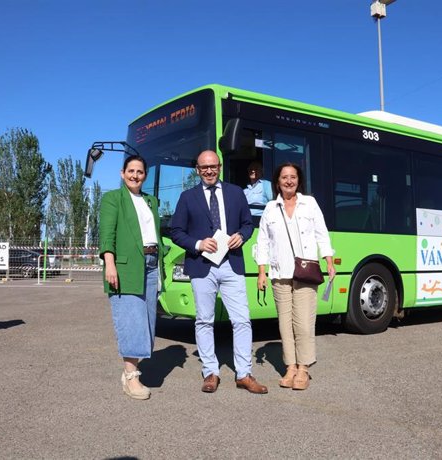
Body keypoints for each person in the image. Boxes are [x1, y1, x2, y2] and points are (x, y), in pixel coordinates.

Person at [170, 150, 268, 394]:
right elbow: (176, 231)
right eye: (204, 167)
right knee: (204, 320)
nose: (209, 171)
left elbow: (248, 224)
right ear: (197, 170)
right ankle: (210, 372)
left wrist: (241, 236)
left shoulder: (236, 193)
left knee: (242, 320)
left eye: (213, 166)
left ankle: (244, 374)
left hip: (231, 264)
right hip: (202, 266)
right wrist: (198, 244)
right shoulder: (187, 197)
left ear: (220, 166)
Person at [255, 162, 335, 390]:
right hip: (279, 273)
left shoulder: (309, 204)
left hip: (305, 272)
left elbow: (322, 234)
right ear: (277, 182)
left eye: (293, 177)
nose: (289, 181)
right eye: (284, 177)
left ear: (298, 180)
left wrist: (328, 260)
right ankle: (290, 366)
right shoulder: (271, 208)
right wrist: (262, 272)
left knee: (303, 322)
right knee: (285, 323)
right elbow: (262, 241)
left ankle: (304, 368)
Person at [99, 155, 164, 400]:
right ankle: (130, 377)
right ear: (122, 172)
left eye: (140, 172)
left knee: (146, 321)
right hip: (126, 266)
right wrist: (110, 264)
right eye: (131, 171)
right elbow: (107, 234)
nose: (135, 175)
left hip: (151, 263)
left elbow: (153, 233)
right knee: (131, 319)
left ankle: (133, 369)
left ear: (145, 175)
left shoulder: (151, 201)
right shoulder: (113, 198)